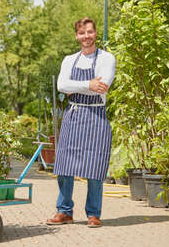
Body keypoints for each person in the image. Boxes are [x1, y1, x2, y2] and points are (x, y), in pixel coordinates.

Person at [46, 17, 116, 228]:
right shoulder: (69, 60)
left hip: (96, 116)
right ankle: (64, 211)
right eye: (82, 33)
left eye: (90, 32)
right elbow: (61, 85)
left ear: (95, 33)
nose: (86, 36)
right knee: (64, 166)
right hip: (73, 115)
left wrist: (76, 86)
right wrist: (88, 84)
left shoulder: (107, 58)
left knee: (95, 167)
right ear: (76, 36)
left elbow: (102, 86)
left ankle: (94, 214)